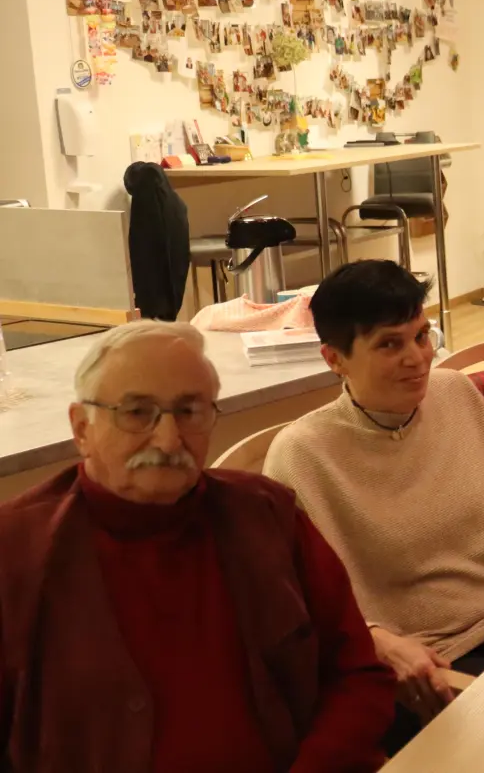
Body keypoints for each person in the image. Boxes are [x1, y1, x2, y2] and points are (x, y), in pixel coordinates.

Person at [2, 321, 394, 771]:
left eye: (190, 411)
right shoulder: (16, 552)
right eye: (137, 412)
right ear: (81, 428)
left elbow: (356, 674)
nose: (169, 440)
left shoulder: (267, 515)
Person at [263, 261, 484, 749]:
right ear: (335, 359)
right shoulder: (302, 455)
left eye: (422, 336)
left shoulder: (456, 394)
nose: (418, 358)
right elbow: (307, 607)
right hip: (425, 664)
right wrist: (379, 642)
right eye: (390, 344)